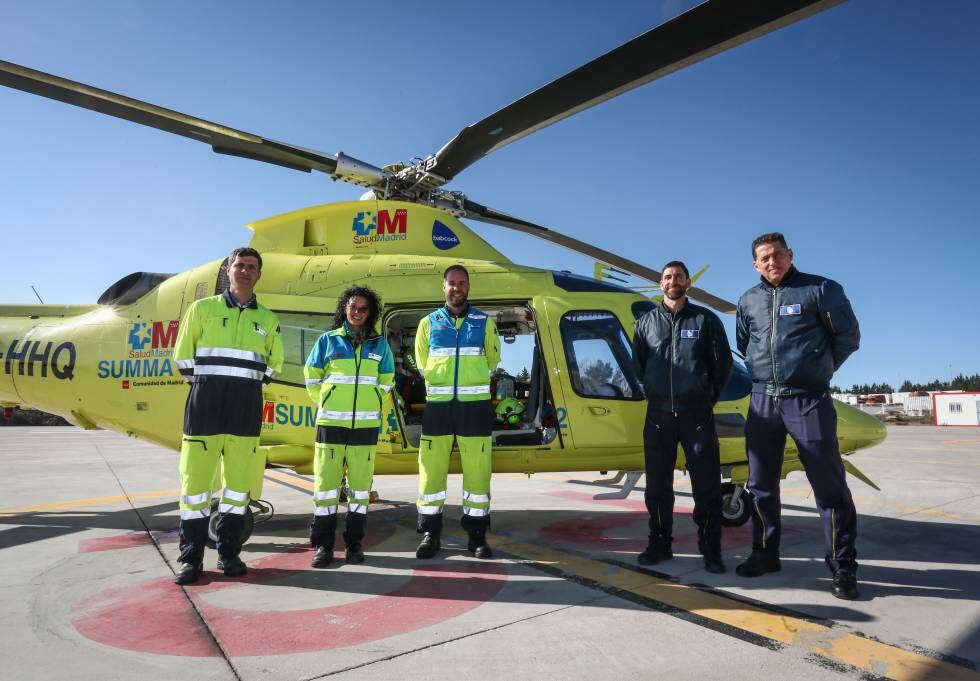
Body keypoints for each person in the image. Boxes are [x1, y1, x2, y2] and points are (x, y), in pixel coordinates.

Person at [735, 232, 862, 600]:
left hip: (807, 400)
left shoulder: (821, 290)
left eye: (777, 254)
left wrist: (818, 370)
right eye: (764, 258)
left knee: (829, 486)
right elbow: (746, 344)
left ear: (790, 255)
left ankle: (843, 567)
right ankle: (764, 554)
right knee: (759, 485)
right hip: (762, 402)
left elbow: (848, 337)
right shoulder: (748, 301)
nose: (771, 261)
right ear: (755, 265)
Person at [172, 247, 283, 585]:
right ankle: (190, 560)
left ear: (258, 275)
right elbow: (182, 358)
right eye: (240, 265)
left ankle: (229, 555)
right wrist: (211, 385)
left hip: (244, 412)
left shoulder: (267, 318)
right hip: (205, 408)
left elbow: (274, 365)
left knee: (237, 490)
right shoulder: (201, 309)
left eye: (251, 267)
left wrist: (242, 389)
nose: (245, 271)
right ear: (229, 271)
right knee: (195, 489)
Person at [632, 261, 733, 573]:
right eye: (666, 277)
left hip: (697, 416)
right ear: (660, 284)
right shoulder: (646, 323)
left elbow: (723, 366)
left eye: (677, 276)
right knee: (657, 488)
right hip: (659, 416)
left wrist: (704, 400)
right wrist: (655, 393)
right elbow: (638, 367)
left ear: (688, 282)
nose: (672, 280)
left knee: (707, 487)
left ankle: (711, 549)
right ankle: (659, 543)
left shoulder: (706, 320)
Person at [414, 265, 500, 559]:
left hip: (474, 408)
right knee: (431, 472)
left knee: (478, 473)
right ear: (443, 287)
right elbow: (422, 363)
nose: (456, 288)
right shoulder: (428, 323)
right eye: (451, 283)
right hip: (438, 408)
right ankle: (430, 533)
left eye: (461, 283)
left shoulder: (484, 322)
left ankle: (477, 536)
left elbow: (492, 360)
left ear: (468, 287)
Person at [303, 287, 394, 567]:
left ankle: (354, 545)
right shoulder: (327, 341)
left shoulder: (379, 344)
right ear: (345, 308)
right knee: (326, 489)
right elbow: (312, 376)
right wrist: (326, 401)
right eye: (353, 306)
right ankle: (323, 546)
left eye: (363, 308)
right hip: (330, 425)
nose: (357, 312)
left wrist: (375, 399)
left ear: (370, 313)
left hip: (365, 427)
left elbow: (387, 379)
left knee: (359, 491)